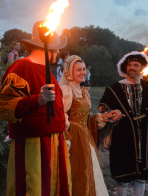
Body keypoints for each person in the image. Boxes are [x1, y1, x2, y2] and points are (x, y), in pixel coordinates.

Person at [0, 21, 71, 196]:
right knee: (34, 190)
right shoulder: (21, 68)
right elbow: (2, 107)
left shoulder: (48, 71)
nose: (58, 52)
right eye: (56, 48)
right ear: (48, 49)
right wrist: (36, 100)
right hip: (33, 146)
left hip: (54, 142)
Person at [96, 51, 148, 196]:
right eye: (129, 65)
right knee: (124, 178)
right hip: (124, 138)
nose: (132, 67)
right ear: (125, 68)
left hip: (146, 138)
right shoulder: (114, 88)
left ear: (141, 68)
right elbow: (104, 108)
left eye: (136, 65)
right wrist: (110, 114)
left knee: (141, 177)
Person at [59, 55, 109, 196]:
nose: (82, 73)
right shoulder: (65, 90)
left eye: (83, 69)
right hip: (73, 138)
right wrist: (66, 138)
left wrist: (104, 117)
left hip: (85, 136)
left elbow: (86, 119)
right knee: (77, 172)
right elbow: (60, 116)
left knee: (89, 170)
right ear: (69, 72)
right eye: (78, 70)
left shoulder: (84, 93)